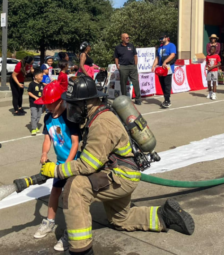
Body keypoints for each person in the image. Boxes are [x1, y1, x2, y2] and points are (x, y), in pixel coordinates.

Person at [39, 76, 195, 255]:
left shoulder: (102, 123)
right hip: (117, 173)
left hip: (120, 176)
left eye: (74, 104)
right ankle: (164, 216)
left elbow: (87, 165)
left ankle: (80, 250)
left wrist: (56, 170)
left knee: (76, 187)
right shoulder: (95, 115)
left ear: (86, 103)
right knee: (121, 219)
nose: (71, 109)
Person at [33, 81, 80, 252]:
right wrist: (45, 153)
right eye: (45, 103)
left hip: (73, 163)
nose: (47, 107)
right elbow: (48, 139)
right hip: (60, 164)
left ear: (60, 100)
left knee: (71, 197)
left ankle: (72, 230)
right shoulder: (47, 119)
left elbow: (75, 143)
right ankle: (49, 222)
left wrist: (68, 163)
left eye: (50, 103)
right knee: (55, 191)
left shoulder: (70, 117)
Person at [152, 33, 177, 108]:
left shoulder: (171, 45)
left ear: (166, 38)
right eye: (159, 38)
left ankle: (167, 100)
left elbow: (172, 55)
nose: (160, 40)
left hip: (168, 67)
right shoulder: (160, 48)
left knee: (167, 84)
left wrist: (165, 61)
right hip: (161, 68)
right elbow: (157, 57)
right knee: (162, 84)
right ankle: (165, 98)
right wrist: (153, 65)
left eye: (162, 38)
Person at [114, 33, 140, 105]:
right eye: (126, 38)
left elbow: (135, 55)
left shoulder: (131, 46)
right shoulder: (118, 47)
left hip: (132, 66)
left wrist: (135, 65)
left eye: (128, 37)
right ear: (122, 38)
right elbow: (116, 57)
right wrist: (117, 65)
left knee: (136, 82)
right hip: (123, 67)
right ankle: (125, 99)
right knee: (123, 83)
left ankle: (138, 99)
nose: (128, 39)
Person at [28, 68, 44, 136]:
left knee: (39, 115)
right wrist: (35, 97)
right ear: (36, 76)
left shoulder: (41, 84)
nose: (42, 77)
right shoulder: (32, 84)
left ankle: (36, 125)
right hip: (33, 103)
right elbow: (29, 92)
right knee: (34, 116)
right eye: (41, 76)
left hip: (40, 103)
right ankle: (33, 128)